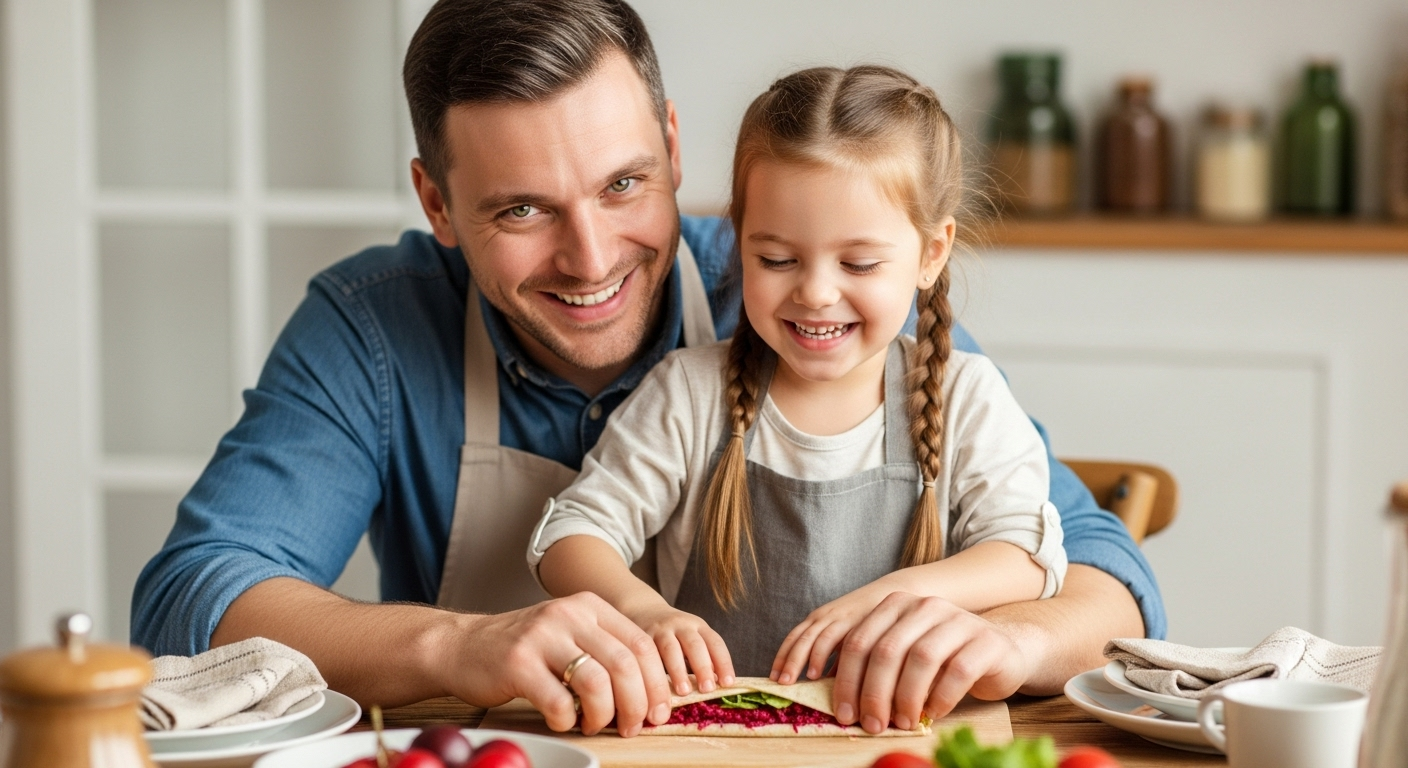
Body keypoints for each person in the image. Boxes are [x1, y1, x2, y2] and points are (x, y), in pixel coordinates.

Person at [131, 0, 1162, 739]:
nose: (590, 260)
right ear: (437, 204)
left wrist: (1012, 644)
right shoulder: (373, 324)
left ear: (672, 147)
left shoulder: (812, 297)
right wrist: (455, 650)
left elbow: (1106, 582)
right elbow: (195, 597)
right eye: (521, 209)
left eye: (625, 184)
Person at [531, 64, 1070, 734]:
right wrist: (641, 614)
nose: (815, 292)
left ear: (932, 252)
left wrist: (891, 597)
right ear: (738, 241)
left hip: (900, 741)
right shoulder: (688, 394)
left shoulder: (967, 396)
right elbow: (569, 536)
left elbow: (1025, 552)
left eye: (858, 263)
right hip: (709, 745)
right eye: (778, 260)